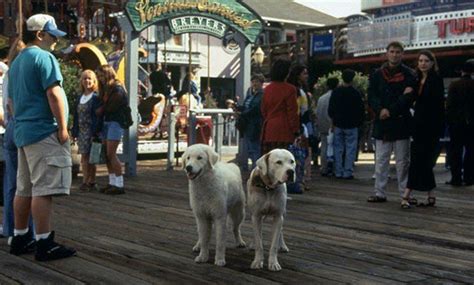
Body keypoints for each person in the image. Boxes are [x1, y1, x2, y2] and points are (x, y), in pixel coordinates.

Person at [8, 14, 76, 261]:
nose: (55, 41)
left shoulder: (16, 62)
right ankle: (44, 242)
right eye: (52, 35)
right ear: (40, 34)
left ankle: (20, 235)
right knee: (44, 189)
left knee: (24, 188)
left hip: (23, 133)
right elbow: (54, 94)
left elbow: (11, 103)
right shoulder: (44, 57)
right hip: (43, 130)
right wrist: (63, 127)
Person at [367, 41, 417, 203]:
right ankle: (379, 192)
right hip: (382, 123)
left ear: (402, 54)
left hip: (401, 122)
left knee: (403, 161)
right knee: (381, 160)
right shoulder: (376, 74)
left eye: (398, 52)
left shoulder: (410, 74)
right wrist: (380, 109)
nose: (395, 54)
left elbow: (408, 98)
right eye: (392, 51)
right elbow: (371, 96)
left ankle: (405, 193)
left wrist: (390, 110)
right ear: (387, 53)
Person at [401, 50, 445, 208]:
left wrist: (412, 95)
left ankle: (406, 194)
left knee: (420, 161)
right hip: (418, 126)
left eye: (426, 61)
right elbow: (409, 100)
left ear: (432, 63)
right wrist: (409, 94)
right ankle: (431, 195)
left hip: (431, 127)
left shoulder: (436, 80)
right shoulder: (416, 79)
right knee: (422, 161)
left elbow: (433, 104)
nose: (423, 63)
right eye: (420, 61)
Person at [95, 65, 128, 195]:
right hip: (107, 121)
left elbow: (112, 107)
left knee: (111, 154)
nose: (100, 79)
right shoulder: (107, 89)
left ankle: (119, 184)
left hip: (115, 122)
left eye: (101, 76)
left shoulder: (117, 88)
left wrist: (101, 109)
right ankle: (112, 182)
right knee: (107, 154)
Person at [328, 69, 365, 179]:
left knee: (338, 148)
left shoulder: (336, 92)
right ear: (352, 79)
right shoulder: (356, 93)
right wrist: (359, 123)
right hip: (352, 125)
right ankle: (347, 171)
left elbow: (331, 109)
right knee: (351, 149)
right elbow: (361, 110)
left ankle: (338, 171)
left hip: (338, 124)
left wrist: (333, 120)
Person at [260, 59, 299, 155]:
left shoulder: (267, 89)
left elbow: (263, 110)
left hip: (268, 129)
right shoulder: (290, 89)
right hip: (284, 130)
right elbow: (292, 112)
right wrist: (296, 130)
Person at [71, 70, 101, 192]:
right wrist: (74, 131)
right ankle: (85, 180)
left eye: (89, 79)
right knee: (84, 157)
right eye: (84, 78)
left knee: (92, 157)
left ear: (94, 81)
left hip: (91, 130)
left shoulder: (95, 98)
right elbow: (76, 116)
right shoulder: (80, 98)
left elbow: (98, 117)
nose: (87, 81)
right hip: (82, 131)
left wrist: (96, 132)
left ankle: (91, 181)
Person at [446, 61, 474, 186]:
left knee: (455, 152)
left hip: (456, 123)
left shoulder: (454, 85)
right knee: (470, 151)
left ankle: (456, 178)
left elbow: (450, 105)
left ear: (461, 71)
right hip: (472, 124)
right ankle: (469, 178)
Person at [287, 64, 313, 189]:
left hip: (290, 124)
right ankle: (300, 180)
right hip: (299, 124)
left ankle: (298, 180)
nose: (306, 76)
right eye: (304, 73)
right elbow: (303, 109)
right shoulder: (299, 91)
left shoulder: (293, 89)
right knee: (301, 153)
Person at [236, 74, 264, 171]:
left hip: (255, 125)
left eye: (257, 81)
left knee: (254, 149)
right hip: (247, 125)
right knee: (248, 148)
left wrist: (242, 113)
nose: (254, 84)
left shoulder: (261, 95)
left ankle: (256, 170)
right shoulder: (250, 95)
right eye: (253, 82)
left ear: (261, 83)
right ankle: (250, 169)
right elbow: (246, 107)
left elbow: (255, 109)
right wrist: (237, 107)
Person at [315, 77, 339, 176]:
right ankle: (335, 168)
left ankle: (324, 167)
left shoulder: (321, 98)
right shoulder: (337, 97)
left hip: (323, 125)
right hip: (334, 126)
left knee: (324, 147)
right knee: (336, 147)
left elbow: (318, 112)